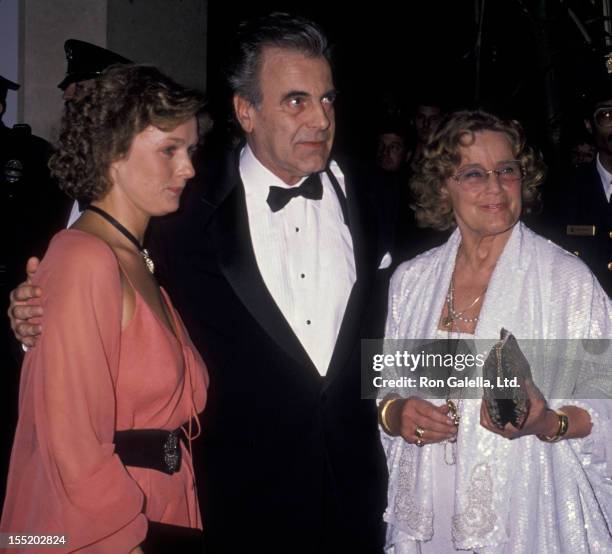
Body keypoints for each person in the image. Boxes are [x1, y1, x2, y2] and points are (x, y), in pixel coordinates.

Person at [8, 13, 388, 554]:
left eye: (328, 99)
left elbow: (398, 332)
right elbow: (78, 298)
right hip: (226, 508)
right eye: (296, 101)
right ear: (246, 110)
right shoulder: (171, 210)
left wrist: (416, 399)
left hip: (353, 502)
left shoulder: (376, 201)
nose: (321, 118)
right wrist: (29, 323)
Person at [378, 110, 612, 552]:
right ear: (442, 184)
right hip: (429, 509)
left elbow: (607, 407)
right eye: (472, 174)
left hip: (523, 509)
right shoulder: (411, 281)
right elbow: (384, 390)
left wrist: (548, 421)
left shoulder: (566, 281)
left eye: (507, 170)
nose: (495, 186)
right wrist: (396, 414)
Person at [1, 65, 209, 552]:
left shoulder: (140, 255)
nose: (189, 169)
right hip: (112, 526)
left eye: (190, 150)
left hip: (168, 508)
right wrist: (122, 539)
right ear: (115, 151)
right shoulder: (84, 257)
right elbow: (71, 441)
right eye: (169, 151)